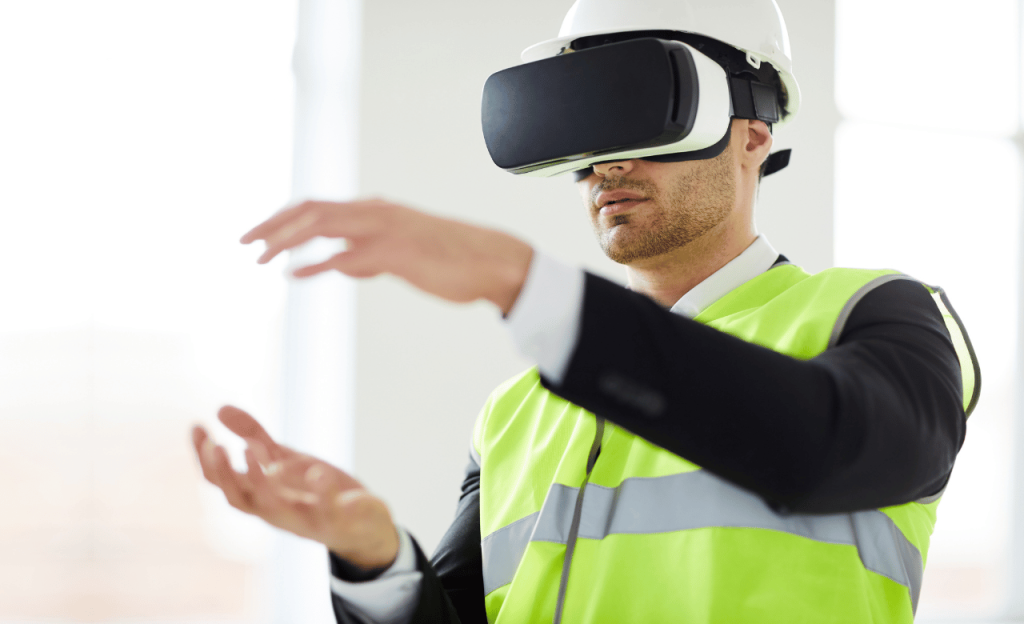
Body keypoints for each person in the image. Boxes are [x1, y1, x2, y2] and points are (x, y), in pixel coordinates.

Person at [192, 0, 980, 622]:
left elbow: (821, 446)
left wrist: (523, 283)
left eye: (643, 112)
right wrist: (376, 563)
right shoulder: (517, 413)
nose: (607, 162)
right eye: (585, 125)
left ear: (752, 131)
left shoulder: (874, 316)